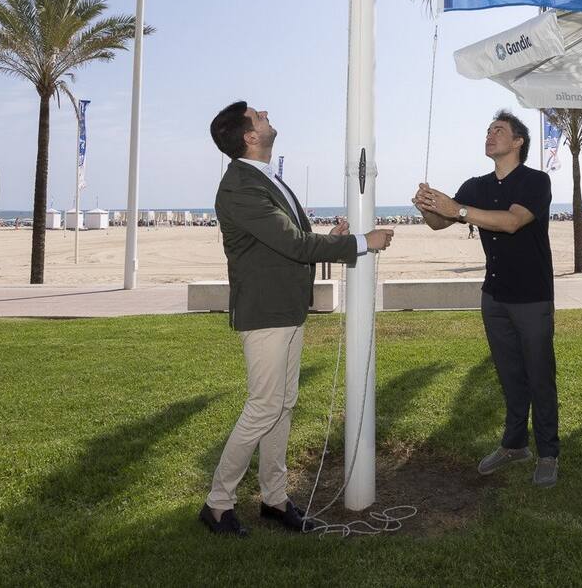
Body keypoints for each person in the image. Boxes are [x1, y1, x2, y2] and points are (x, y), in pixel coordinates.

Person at [199, 101, 394, 537]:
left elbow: (292, 243)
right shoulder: (239, 187)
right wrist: (363, 242)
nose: (266, 114)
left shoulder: (265, 179)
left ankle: (274, 497)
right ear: (249, 136)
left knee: (282, 406)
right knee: (264, 406)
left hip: (286, 310)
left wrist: (331, 240)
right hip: (265, 313)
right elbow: (294, 246)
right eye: (258, 115)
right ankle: (217, 503)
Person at [414, 110, 559, 487]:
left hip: (532, 296)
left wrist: (457, 209)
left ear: (517, 143)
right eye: (488, 130)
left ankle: (548, 453)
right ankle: (514, 446)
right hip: (494, 296)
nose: (490, 135)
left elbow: (511, 221)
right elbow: (439, 223)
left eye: (499, 131)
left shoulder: (536, 181)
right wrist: (428, 206)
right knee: (510, 375)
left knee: (539, 376)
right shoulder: (476, 185)